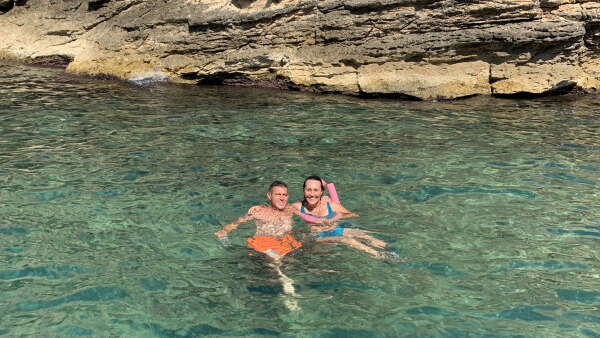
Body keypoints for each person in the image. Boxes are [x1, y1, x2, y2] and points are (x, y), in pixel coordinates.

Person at [214, 180, 302, 310]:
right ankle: (288, 290)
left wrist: (325, 199)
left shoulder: (291, 209)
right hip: (264, 244)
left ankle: (285, 283)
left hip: (285, 243)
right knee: (276, 260)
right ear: (269, 196)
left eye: (285, 194)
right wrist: (224, 232)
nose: (282, 198)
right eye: (278, 194)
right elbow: (236, 223)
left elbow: (311, 202)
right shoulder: (258, 211)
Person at [292, 175, 404, 263]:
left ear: (321, 192)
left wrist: (334, 219)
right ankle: (378, 256)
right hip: (316, 237)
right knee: (346, 239)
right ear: (304, 190)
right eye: (308, 190)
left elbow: (351, 215)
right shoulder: (297, 206)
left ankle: (395, 251)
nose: (312, 194)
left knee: (362, 234)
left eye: (315, 190)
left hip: (336, 230)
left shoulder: (329, 204)